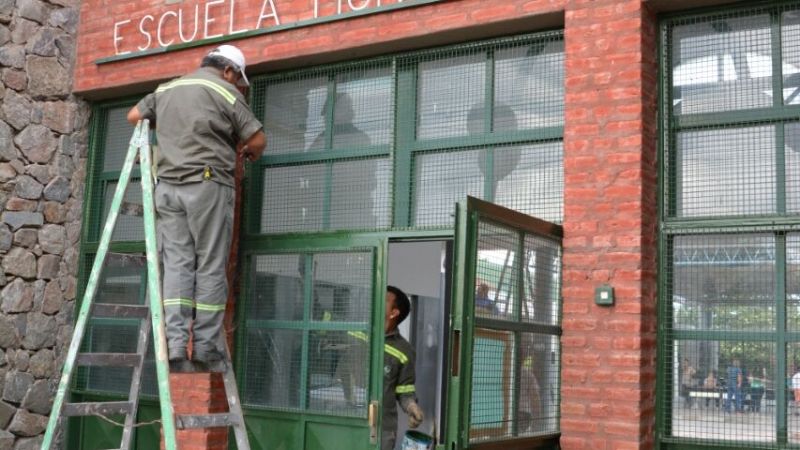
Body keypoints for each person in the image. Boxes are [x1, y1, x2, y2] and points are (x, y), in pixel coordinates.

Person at [126, 44, 266, 369]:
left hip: (168, 188)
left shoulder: (167, 88)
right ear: (229, 71)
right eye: (237, 79)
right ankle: (204, 349)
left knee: (176, 266)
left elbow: (134, 116)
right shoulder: (225, 92)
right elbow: (258, 140)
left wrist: (174, 132)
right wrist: (247, 152)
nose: (237, 85)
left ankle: (175, 349)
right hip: (206, 185)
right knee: (211, 264)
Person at [381, 286, 424, 450]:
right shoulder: (359, 330)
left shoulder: (404, 350)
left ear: (394, 313)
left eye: (384, 300)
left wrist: (412, 407)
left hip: (381, 428)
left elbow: (404, 390)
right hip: (349, 419)